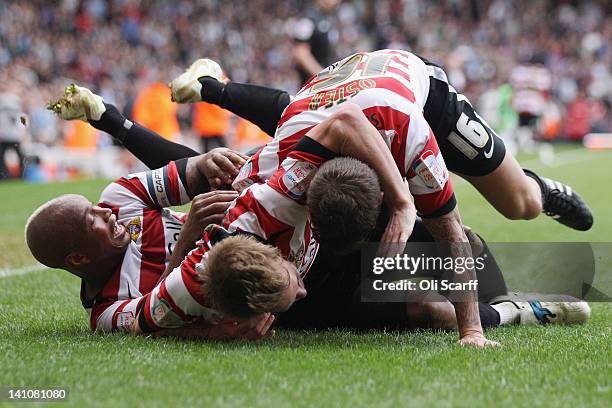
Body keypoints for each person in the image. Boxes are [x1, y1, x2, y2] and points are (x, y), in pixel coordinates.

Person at [41, 84, 589, 346]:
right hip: (257, 274)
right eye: (97, 224)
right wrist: (228, 323)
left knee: (496, 218)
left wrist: (114, 121)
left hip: (402, 104)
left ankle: (512, 217)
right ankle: (524, 309)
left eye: (100, 213)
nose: (112, 217)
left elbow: (193, 171)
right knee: (426, 310)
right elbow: (164, 323)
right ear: (78, 257)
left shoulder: (262, 203)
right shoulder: (158, 298)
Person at [170, 52, 593, 232]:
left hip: (422, 99)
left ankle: (542, 189)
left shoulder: (402, 130)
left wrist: (472, 331)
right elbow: (277, 108)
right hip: (350, 90)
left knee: (521, 205)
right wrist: (213, 90)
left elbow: (450, 228)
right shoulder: (289, 138)